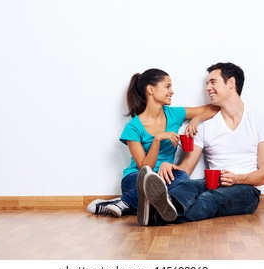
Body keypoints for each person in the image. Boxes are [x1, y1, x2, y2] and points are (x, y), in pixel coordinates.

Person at [136, 62, 264, 226]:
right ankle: (160, 207)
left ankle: (154, 215)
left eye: (213, 82)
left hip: (245, 189)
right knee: (188, 186)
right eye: (207, 83)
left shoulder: (259, 122)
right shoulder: (205, 126)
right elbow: (186, 169)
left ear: (231, 83)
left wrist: (237, 178)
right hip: (211, 183)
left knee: (208, 199)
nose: (207, 88)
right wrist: (169, 166)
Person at [87, 68, 219, 218]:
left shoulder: (174, 114)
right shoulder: (133, 127)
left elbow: (214, 108)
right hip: (137, 177)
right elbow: (145, 167)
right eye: (167, 86)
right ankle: (130, 201)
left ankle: (123, 203)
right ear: (150, 89)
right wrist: (157, 139)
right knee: (159, 185)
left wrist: (196, 119)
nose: (172, 91)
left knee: (183, 179)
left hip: (166, 177)